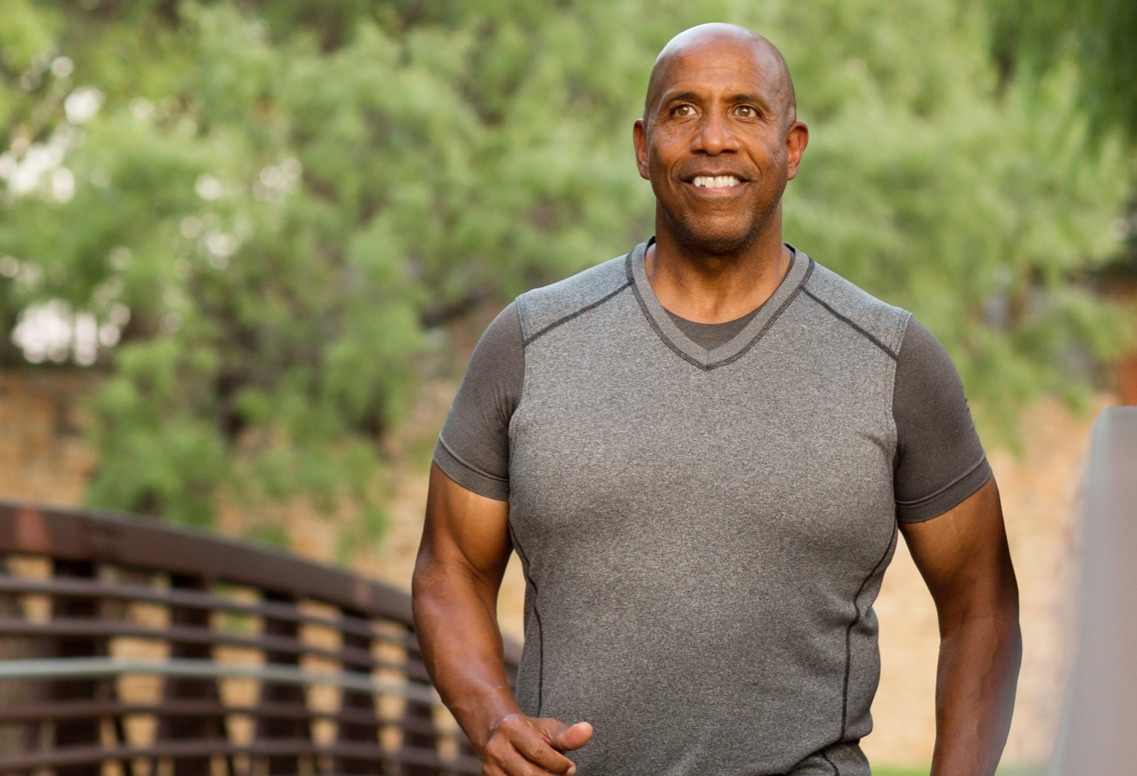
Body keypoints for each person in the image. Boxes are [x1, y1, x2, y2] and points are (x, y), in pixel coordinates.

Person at [412, 22, 1021, 776]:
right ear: (642, 147)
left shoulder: (892, 360)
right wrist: (491, 715)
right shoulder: (530, 343)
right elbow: (449, 568)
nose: (711, 139)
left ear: (792, 148)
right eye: (681, 110)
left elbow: (981, 601)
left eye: (745, 110)